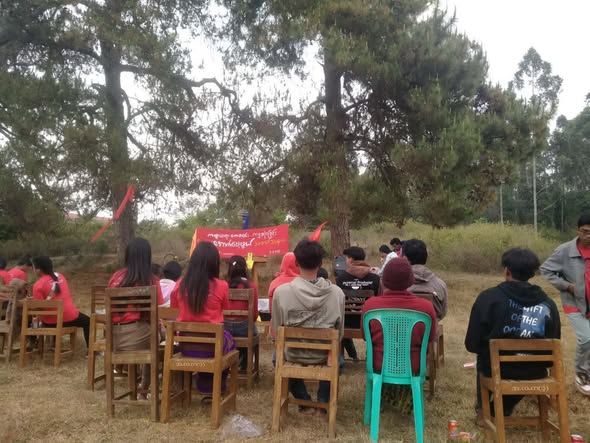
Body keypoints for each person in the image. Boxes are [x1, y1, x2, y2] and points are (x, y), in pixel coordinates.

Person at [466, 248, 561, 424]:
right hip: (535, 371)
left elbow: (472, 344)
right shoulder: (549, 304)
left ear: (507, 270)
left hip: (496, 369)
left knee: (483, 357)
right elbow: (553, 345)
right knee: (519, 365)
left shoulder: (488, 298)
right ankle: (503, 408)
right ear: (532, 274)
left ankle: (484, 411)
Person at [272, 239, 345, 415]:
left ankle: (304, 401)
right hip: (325, 356)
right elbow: (340, 333)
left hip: (292, 353)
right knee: (338, 360)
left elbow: (276, 331)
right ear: (320, 264)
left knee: (277, 358)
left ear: (296, 263)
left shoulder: (281, 293)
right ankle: (323, 403)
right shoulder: (337, 294)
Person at [170, 241, 235, 394]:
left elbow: (174, 310)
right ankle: (213, 384)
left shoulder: (180, 285)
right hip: (212, 348)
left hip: (186, 347)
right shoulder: (222, 286)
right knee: (230, 341)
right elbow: (226, 309)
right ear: (214, 264)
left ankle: (203, 382)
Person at [541, 213, 590, 396]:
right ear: (578, 230)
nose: (588, 235)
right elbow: (546, 269)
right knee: (586, 338)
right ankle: (582, 374)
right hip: (574, 302)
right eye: (585, 231)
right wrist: (567, 286)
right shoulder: (565, 250)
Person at [108, 237, 164, 396]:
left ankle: (138, 384)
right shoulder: (151, 280)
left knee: (153, 334)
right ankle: (145, 389)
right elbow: (155, 315)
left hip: (113, 339)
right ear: (147, 256)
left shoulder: (115, 277)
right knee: (159, 339)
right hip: (138, 337)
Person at [362, 257, 437, 375]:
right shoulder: (426, 307)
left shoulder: (370, 305)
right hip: (414, 365)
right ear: (410, 280)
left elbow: (365, 336)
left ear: (384, 279)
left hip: (378, 363)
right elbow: (431, 337)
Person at [32, 256, 90, 349]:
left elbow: (38, 307)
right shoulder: (60, 276)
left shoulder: (37, 285)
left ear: (38, 270)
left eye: (34, 268)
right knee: (88, 322)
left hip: (50, 322)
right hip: (70, 317)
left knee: (46, 316)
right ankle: (90, 350)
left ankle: (47, 345)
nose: (33, 270)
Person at [336, 246, 380, 361]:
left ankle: (348, 356)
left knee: (339, 320)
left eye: (346, 258)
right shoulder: (375, 278)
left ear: (350, 259)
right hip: (369, 322)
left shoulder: (340, 279)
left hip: (347, 322)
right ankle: (369, 355)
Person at [224, 255, 258, 371]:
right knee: (253, 330)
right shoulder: (252, 286)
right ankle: (245, 363)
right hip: (244, 330)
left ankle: (231, 361)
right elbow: (254, 315)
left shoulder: (223, 286)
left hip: (226, 329)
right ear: (244, 268)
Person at [404, 239, 448, 321]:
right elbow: (442, 313)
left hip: (400, 328)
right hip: (431, 328)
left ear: (405, 258)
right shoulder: (440, 284)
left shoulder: (395, 284)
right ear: (426, 257)